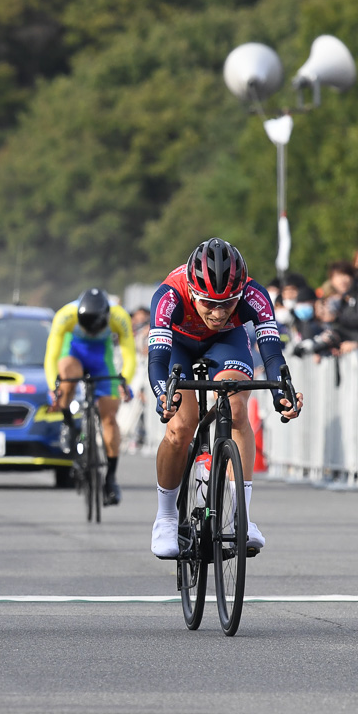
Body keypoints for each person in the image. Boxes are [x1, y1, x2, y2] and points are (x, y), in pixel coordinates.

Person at [147, 238, 303, 558]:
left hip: (225, 344)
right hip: (179, 345)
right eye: (208, 303)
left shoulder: (254, 294)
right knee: (181, 425)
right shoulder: (168, 295)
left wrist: (281, 394)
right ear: (192, 289)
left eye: (228, 303)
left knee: (235, 408)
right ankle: (165, 517)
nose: (218, 313)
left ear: (240, 293)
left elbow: (272, 355)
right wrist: (164, 395)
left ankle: (241, 517)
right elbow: (158, 362)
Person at [45, 288, 136, 505]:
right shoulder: (65, 315)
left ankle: (111, 478)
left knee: (109, 418)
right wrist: (54, 388)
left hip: (100, 360)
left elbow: (129, 354)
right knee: (66, 376)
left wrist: (125, 380)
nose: (92, 332)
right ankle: (68, 423)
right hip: (74, 354)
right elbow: (52, 356)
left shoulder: (119, 316)